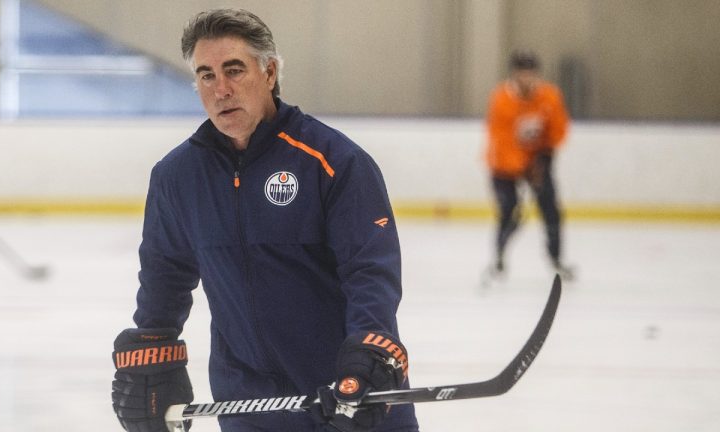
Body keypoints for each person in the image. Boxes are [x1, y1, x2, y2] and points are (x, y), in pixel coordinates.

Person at [110, 9, 419, 432]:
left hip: (348, 399)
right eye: (206, 75)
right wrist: (153, 347)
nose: (221, 90)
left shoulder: (334, 162)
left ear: (269, 72)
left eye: (234, 71)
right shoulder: (177, 177)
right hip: (249, 407)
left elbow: (370, 272)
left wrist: (371, 351)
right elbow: (165, 275)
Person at [484, 50, 573, 281]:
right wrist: (524, 167)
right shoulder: (502, 99)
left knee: (551, 209)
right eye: (522, 74)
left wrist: (544, 156)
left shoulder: (549, 96)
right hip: (504, 165)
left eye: (531, 74)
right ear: (514, 74)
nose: (527, 79)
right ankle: (499, 258)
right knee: (509, 210)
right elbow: (501, 140)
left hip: (538, 161)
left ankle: (556, 258)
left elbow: (559, 128)